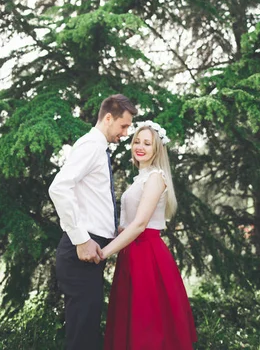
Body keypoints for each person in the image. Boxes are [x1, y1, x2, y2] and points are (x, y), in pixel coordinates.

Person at [48, 94, 138, 350]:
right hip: (80, 252)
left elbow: (90, 199)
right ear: (108, 118)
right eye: (123, 126)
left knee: (86, 331)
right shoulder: (90, 146)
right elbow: (58, 188)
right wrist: (82, 239)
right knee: (81, 335)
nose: (125, 133)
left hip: (89, 251)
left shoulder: (97, 148)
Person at [102, 120, 197, 349]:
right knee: (132, 321)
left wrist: (104, 253)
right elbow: (127, 225)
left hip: (147, 255)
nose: (140, 146)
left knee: (148, 326)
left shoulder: (155, 177)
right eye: (137, 141)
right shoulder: (140, 178)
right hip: (132, 254)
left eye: (147, 143)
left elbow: (140, 224)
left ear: (157, 149)